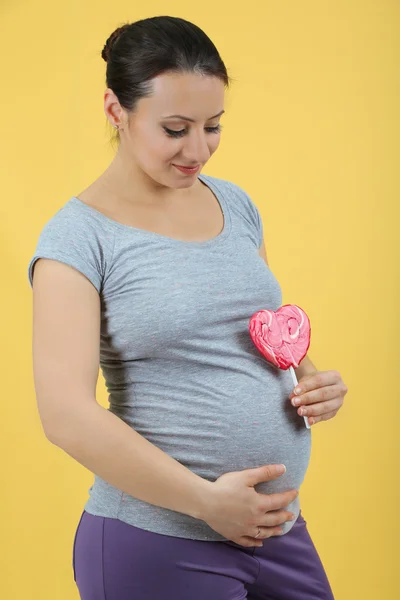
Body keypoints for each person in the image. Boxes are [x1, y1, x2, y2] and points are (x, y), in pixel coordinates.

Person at [28, 15, 347, 600]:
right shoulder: (77, 240)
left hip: (274, 530)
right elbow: (64, 415)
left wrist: (311, 378)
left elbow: (247, 330)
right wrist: (207, 503)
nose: (198, 149)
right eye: (175, 129)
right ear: (116, 110)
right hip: (158, 543)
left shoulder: (237, 204)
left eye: (213, 126)